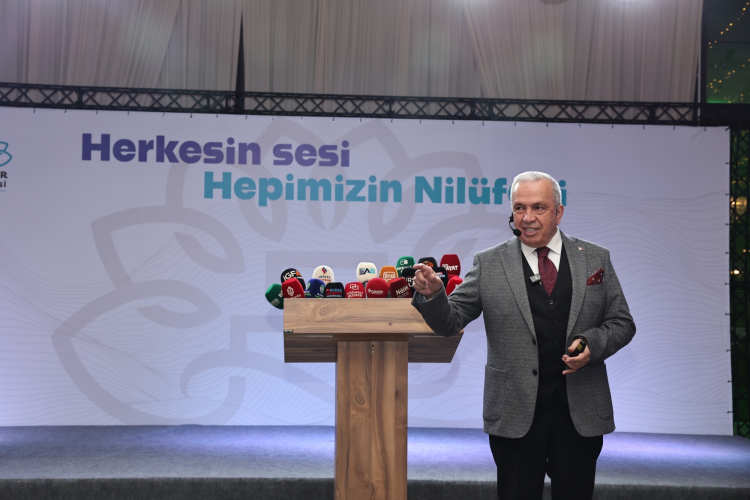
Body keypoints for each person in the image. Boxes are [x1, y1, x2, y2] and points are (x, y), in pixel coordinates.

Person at [411, 171, 635, 500]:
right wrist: (433, 295)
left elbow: (622, 322)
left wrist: (592, 345)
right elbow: (450, 322)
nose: (527, 217)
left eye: (538, 207)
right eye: (519, 208)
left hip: (580, 413)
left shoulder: (595, 258)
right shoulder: (489, 263)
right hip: (514, 412)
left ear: (559, 212)